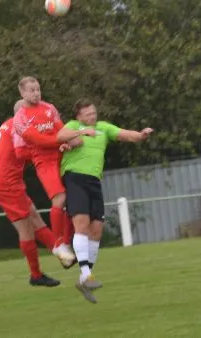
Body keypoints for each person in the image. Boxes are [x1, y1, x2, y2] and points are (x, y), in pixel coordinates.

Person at [56, 98, 154, 303]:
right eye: (88, 114)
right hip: (75, 178)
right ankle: (86, 275)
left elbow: (125, 134)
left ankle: (85, 279)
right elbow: (60, 136)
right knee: (82, 224)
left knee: (97, 229)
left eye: (94, 112)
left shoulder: (103, 128)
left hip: (94, 181)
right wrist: (82, 133)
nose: (92, 116)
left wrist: (141, 135)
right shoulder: (74, 126)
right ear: (79, 116)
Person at [0, 100, 73, 286]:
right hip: (6, 183)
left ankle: (62, 254)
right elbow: (22, 153)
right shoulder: (17, 127)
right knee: (26, 228)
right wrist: (52, 146)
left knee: (34, 218)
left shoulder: (7, 124)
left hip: (5, 180)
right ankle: (37, 274)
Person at [13, 76, 91, 268]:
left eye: (38, 89)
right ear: (22, 93)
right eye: (31, 90)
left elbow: (60, 129)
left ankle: (66, 242)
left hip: (62, 156)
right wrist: (72, 136)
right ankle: (58, 243)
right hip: (44, 161)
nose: (36, 93)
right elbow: (39, 140)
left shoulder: (49, 108)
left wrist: (70, 140)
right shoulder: (20, 118)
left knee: (72, 200)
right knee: (59, 198)